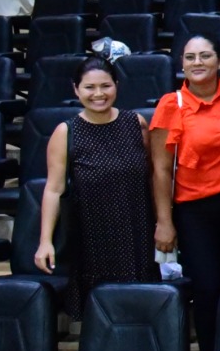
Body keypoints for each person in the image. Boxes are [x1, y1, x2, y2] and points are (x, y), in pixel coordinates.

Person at [150, 35, 220, 351]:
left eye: (205, 56)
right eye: (190, 57)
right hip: (195, 211)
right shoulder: (170, 104)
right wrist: (164, 222)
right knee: (208, 288)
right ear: (181, 64)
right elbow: (162, 170)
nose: (197, 62)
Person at [35, 56, 157, 317]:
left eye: (106, 86)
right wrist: (45, 241)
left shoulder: (137, 124)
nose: (98, 94)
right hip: (91, 234)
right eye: (89, 87)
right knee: (102, 312)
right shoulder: (65, 132)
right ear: (76, 89)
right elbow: (54, 189)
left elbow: (151, 176)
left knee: (142, 307)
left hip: (137, 230)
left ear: (116, 85)